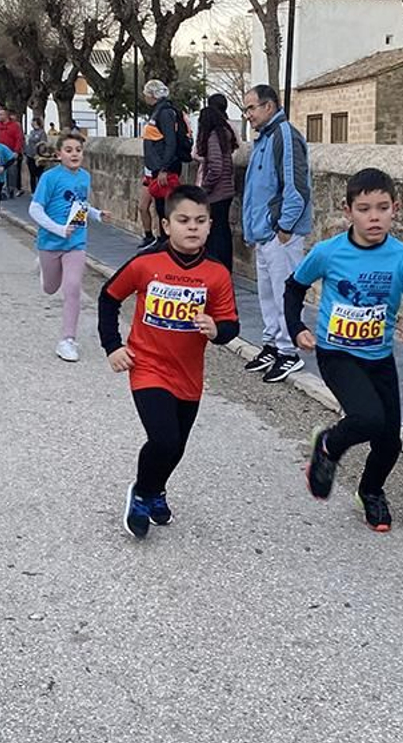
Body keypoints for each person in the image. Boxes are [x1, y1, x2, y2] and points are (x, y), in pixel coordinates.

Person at [287, 168, 403, 533]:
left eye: (382, 208)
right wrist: (296, 328)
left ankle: (370, 492)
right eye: (364, 208)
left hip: (378, 357)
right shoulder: (328, 252)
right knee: (368, 418)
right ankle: (328, 445)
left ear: (395, 209)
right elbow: (294, 288)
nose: (374, 217)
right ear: (348, 211)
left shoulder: (402, 258)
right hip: (336, 354)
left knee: (389, 442)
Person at [98, 185, 240, 540]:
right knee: (162, 439)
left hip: (189, 374)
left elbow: (231, 325)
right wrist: (113, 346)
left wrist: (216, 329)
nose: (192, 227)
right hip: (147, 367)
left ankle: (157, 489)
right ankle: (142, 494)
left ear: (210, 226)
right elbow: (108, 297)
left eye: (200, 221)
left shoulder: (217, 273)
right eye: (183, 220)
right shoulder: (146, 263)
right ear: (165, 225)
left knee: (177, 445)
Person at [240, 83, 312, 384]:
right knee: (268, 293)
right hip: (265, 232)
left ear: (269, 106)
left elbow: (296, 187)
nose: (248, 115)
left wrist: (284, 226)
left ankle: (289, 351)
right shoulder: (264, 139)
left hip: (280, 233)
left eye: (251, 108)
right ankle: (273, 344)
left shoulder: (284, 135)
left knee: (285, 293)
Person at [29, 130, 110, 363]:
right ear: (59, 154)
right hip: (50, 242)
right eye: (69, 150)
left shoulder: (84, 177)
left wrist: (96, 214)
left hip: (76, 242)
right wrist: (58, 229)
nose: (75, 154)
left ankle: (67, 340)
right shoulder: (50, 178)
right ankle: (44, 270)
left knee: (73, 288)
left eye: (78, 150)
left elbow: (81, 205)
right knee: (50, 288)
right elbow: (34, 209)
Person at [195, 94, 239, 270]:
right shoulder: (224, 134)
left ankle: (217, 267)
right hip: (226, 190)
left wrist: (205, 187)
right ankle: (225, 267)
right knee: (223, 231)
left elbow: (215, 166)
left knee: (214, 233)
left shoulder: (213, 137)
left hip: (216, 193)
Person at [140, 80, 182, 238]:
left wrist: (165, 168)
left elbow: (170, 142)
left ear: (152, 95)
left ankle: (165, 241)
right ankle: (161, 240)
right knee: (159, 207)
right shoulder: (159, 111)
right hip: (155, 167)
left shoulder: (164, 113)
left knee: (164, 208)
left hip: (162, 168)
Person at [0, 105, 25, 197]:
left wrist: (16, 151)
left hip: (10, 152)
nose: (0, 116)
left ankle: (11, 189)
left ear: (6, 115)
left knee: (11, 172)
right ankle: (2, 190)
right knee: (0, 171)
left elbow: (19, 139)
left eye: (1, 115)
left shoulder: (15, 126)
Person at [27, 119, 52, 191]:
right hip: (30, 155)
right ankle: (33, 190)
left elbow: (43, 144)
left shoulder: (42, 133)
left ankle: (40, 189)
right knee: (32, 174)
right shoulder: (32, 132)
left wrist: (39, 154)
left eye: (34, 123)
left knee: (39, 173)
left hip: (38, 156)